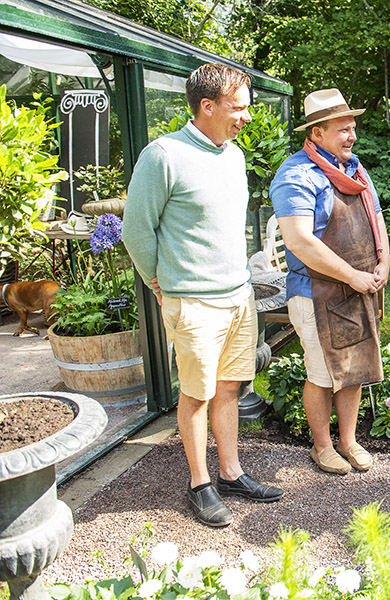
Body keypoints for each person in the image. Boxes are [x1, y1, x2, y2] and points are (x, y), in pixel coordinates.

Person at [123, 63, 284, 528]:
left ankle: (231, 473)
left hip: (238, 295)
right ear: (206, 106)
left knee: (232, 386)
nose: (247, 117)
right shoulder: (163, 156)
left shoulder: (232, 155)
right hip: (193, 301)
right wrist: (160, 281)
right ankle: (200, 483)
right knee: (197, 393)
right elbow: (136, 231)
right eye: (239, 108)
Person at [269, 89, 389, 475]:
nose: (351, 136)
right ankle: (322, 446)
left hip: (356, 289)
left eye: (352, 127)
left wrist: (383, 260)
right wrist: (353, 275)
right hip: (316, 294)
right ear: (316, 134)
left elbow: (376, 218)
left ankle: (350, 441)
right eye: (342, 129)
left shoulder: (355, 168)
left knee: (354, 369)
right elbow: (300, 240)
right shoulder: (295, 175)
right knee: (322, 375)